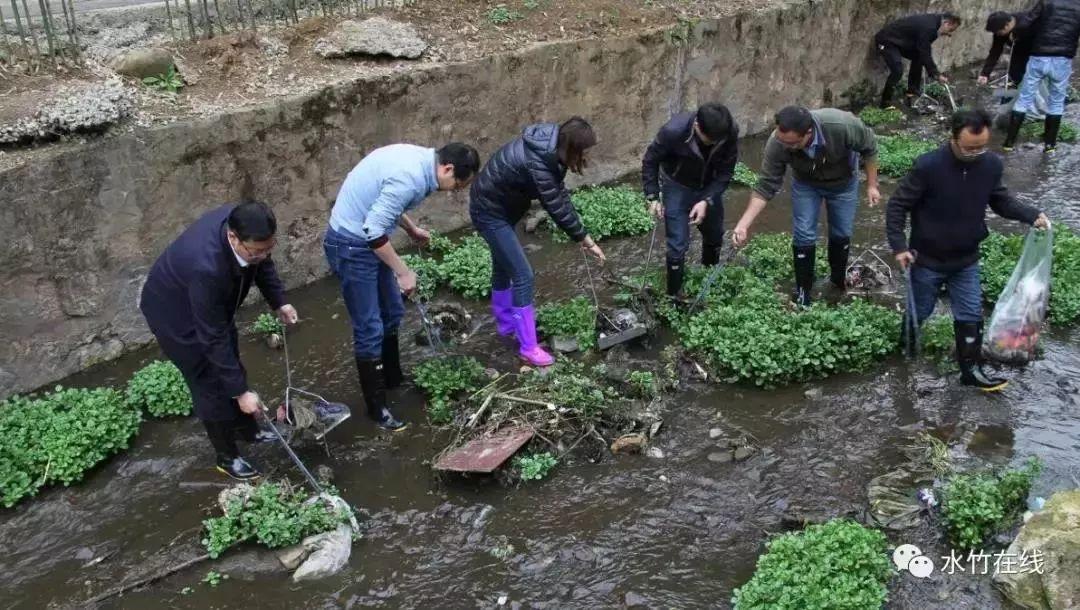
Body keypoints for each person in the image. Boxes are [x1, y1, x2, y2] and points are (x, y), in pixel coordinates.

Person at [886, 109, 1050, 391]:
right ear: (953, 138)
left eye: (981, 147)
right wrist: (900, 246)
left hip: (965, 259)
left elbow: (1000, 201)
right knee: (920, 311)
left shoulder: (991, 166)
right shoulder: (928, 166)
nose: (975, 153)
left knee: (971, 315)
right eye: (969, 147)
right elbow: (898, 206)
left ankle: (971, 370)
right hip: (926, 258)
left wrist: (1031, 214)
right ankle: (905, 352)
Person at [325, 142, 481, 431]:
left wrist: (411, 229)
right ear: (446, 168)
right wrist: (403, 271)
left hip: (366, 236)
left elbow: (385, 204)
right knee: (369, 326)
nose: (456, 190)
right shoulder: (410, 177)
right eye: (458, 183)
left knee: (392, 311)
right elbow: (373, 231)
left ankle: (392, 378)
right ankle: (377, 409)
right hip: (350, 243)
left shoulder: (421, 162)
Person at [140, 202, 299, 480]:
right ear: (233, 238)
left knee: (230, 358)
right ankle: (227, 456)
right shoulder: (207, 268)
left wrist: (279, 302)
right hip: (175, 316)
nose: (262, 255)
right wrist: (240, 392)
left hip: (209, 305)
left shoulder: (247, 230)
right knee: (208, 381)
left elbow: (263, 263)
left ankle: (246, 429)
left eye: (268, 248)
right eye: (256, 251)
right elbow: (212, 337)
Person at [470, 117, 607, 367]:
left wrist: (582, 236)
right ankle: (528, 348)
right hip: (490, 213)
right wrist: (585, 239)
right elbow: (555, 205)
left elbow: (559, 195)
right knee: (523, 275)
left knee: (503, 267)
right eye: (584, 152)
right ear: (571, 148)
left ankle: (506, 325)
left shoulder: (550, 149)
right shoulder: (540, 163)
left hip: (500, 207)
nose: (586, 157)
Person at [732, 106, 880, 307]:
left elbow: (869, 147)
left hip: (843, 183)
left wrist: (872, 185)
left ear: (808, 133)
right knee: (803, 234)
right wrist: (743, 223)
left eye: (792, 143)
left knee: (841, 232)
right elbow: (767, 185)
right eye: (782, 141)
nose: (786, 146)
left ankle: (837, 283)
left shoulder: (840, 125)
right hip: (806, 184)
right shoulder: (778, 142)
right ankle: (803, 292)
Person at [641, 102, 739, 298]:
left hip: (709, 185)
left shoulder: (729, 133)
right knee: (677, 243)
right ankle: (674, 296)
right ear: (696, 126)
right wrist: (652, 195)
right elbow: (650, 160)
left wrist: (706, 200)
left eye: (717, 141)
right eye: (709, 140)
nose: (713, 144)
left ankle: (707, 280)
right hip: (677, 184)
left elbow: (725, 173)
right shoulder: (673, 132)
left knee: (714, 235)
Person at [1003, 0, 1080, 152]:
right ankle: (1050, 146)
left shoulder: (1046, 2)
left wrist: (1015, 34)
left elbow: (1026, 22)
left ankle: (1008, 144)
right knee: (1056, 102)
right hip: (1063, 58)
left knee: (1024, 98)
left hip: (1039, 55)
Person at [874, 12, 962, 108]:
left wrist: (934, 72)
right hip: (886, 41)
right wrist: (936, 74)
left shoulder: (935, 23)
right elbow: (925, 51)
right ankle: (885, 103)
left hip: (899, 42)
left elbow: (923, 51)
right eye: (951, 30)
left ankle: (912, 90)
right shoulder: (930, 27)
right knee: (897, 70)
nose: (949, 34)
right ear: (947, 23)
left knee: (919, 57)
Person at [978, 10, 1038, 89]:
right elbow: (995, 51)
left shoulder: (1028, 21)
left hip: (1037, 52)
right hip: (1018, 53)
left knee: (1032, 80)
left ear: (1007, 25)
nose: (997, 34)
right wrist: (985, 74)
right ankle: (1008, 98)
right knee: (1013, 78)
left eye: (998, 32)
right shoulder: (1000, 32)